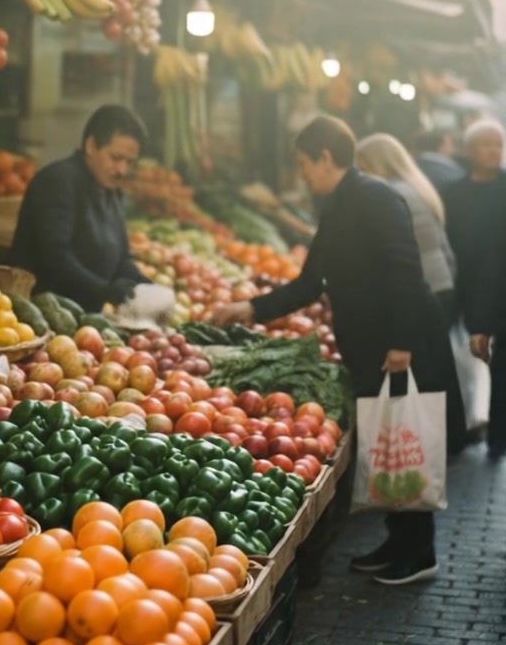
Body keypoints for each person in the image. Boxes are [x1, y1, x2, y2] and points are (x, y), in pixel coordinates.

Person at [213, 115, 466, 587]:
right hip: (372, 346)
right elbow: (312, 281)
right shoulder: (339, 202)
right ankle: (399, 539)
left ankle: (420, 552)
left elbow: (406, 272)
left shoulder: (375, 196)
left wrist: (402, 344)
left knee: (404, 442)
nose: (303, 174)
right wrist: (250, 308)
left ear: (326, 157)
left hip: (399, 344)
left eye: (305, 164)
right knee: (386, 442)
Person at [9, 104, 152, 312]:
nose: (122, 170)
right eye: (116, 158)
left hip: (84, 319)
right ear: (91, 146)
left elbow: (122, 258)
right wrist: (105, 291)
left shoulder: (109, 190)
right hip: (40, 316)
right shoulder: (57, 181)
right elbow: (55, 257)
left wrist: (142, 284)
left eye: (129, 162)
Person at [444, 119, 506, 458]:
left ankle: (497, 435)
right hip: (460, 283)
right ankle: (464, 426)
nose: (494, 150)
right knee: (459, 359)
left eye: (498, 144)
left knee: (500, 365)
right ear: (469, 150)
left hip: (501, 285)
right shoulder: (453, 193)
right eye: (486, 144)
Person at [355, 133, 457, 328]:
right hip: (440, 284)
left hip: (420, 291)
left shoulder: (392, 194)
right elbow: (445, 250)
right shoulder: (417, 187)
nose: (361, 176)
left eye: (364, 168)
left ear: (379, 164)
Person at [412, 128, 465, 194]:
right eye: (450, 143)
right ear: (442, 146)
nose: (453, 147)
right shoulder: (449, 175)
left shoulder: (417, 165)